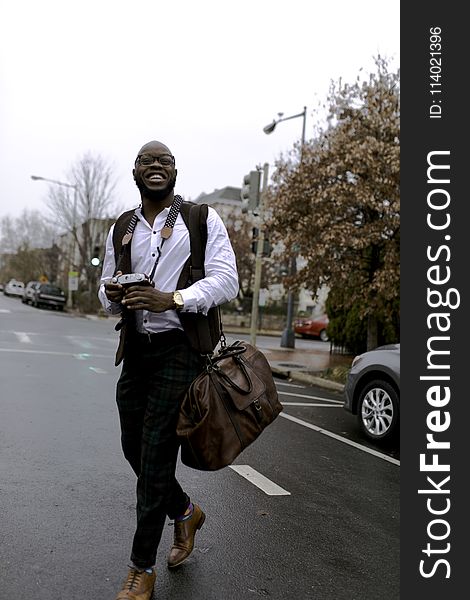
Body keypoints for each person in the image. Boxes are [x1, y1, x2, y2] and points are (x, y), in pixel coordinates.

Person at [98, 140, 239, 600]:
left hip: (181, 349)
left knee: (156, 454)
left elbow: (226, 280)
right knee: (131, 448)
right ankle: (185, 511)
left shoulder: (200, 219)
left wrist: (173, 298)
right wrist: (114, 294)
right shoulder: (122, 226)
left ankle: (142, 571)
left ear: (175, 171)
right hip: (137, 349)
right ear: (135, 171)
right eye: (147, 161)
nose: (155, 167)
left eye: (164, 161)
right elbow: (103, 291)